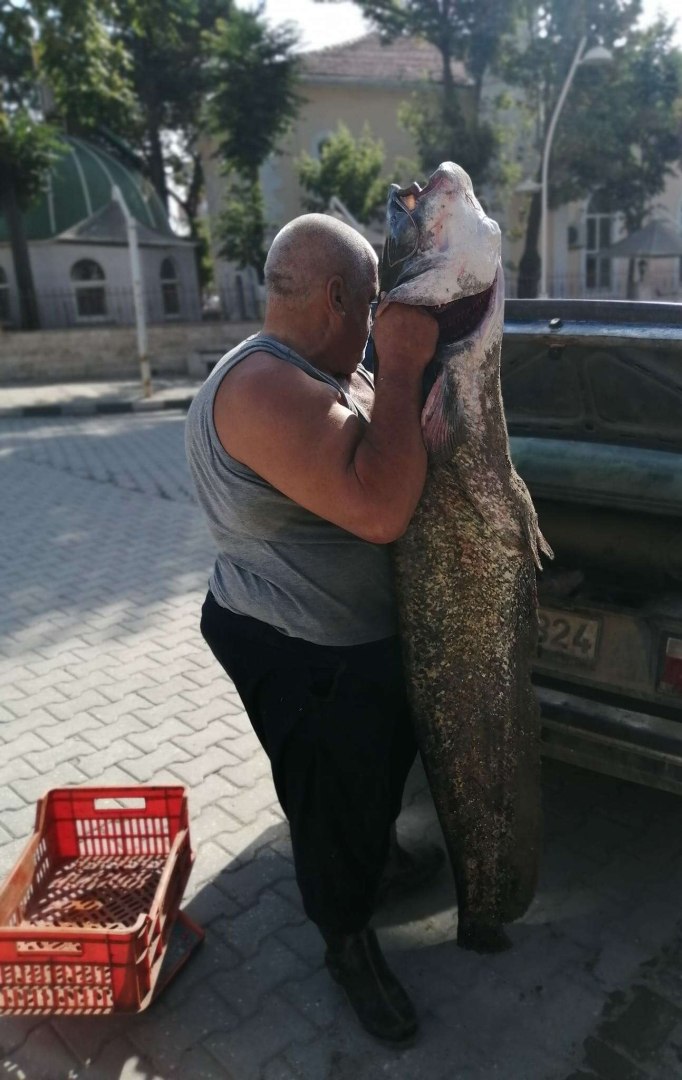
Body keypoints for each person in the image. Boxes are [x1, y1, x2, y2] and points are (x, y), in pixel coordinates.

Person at [185, 214, 442, 1046]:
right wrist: (400, 363)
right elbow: (377, 507)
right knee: (332, 803)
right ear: (337, 297)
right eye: (370, 308)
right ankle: (347, 938)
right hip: (300, 654)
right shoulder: (262, 387)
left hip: (349, 645)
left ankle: (377, 856)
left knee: (374, 774)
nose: (375, 328)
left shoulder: (320, 370)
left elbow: (389, 446)